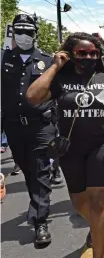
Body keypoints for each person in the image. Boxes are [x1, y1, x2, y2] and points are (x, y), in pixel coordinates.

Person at [26, 32, 104, 258]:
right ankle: (95, 226)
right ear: (70, 54)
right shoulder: (60, 77)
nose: (89, 57)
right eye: (82, 53)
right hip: (71, 147)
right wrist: (54, 67)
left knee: (99, 201)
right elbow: (33, 97)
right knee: (80, 203)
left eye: (93, 53)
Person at [1, 13, 56, 245]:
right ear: (14, 33)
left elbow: (58, 93)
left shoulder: (48, 60)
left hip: (40, 125)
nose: (24, 36)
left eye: (29, 31)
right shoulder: (3, 58)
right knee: (28, 171)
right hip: (13, 126)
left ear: (36, 34)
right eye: (19, 31)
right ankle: (36, 204)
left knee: (40, 171)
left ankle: (40, 221)